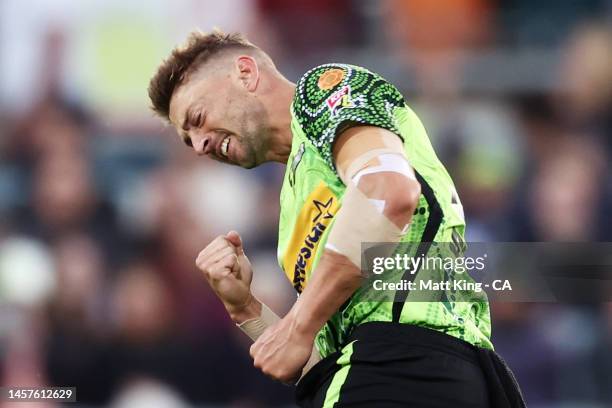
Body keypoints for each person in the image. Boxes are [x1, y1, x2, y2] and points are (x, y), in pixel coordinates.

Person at [148, 30, 525, 407]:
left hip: (408, 367)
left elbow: (388, 192)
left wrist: (300, 323)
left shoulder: (323, 91)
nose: (199, 146)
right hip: (386, 373)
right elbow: (319, 364)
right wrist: (245, 308)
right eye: (188, 140)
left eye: (197, 119)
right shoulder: (295, 200)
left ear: (245, 73)